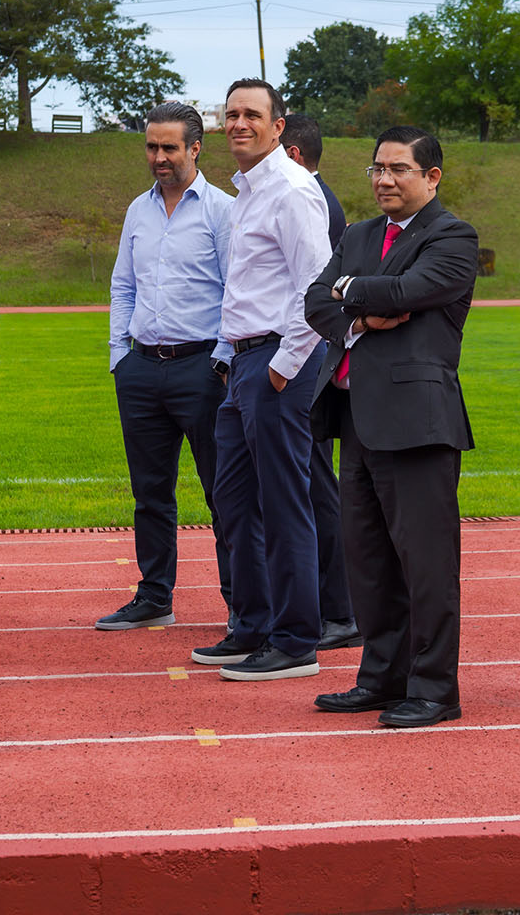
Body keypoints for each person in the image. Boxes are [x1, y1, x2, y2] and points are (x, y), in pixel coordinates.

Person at [306, 126, 478, 729]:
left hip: (418, 424)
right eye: (378, 168)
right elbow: (314, 301)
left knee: (426, 564)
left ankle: (435, 689)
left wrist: (347, 289)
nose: (383, 179)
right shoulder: (357, 235)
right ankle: (382, 678)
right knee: (369, 560)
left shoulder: (452, 236)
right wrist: (358, 313)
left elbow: (411, 288)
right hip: (355, 419)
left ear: (431, 177)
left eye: (399, 169)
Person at [191, 79, 333, 681]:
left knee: (282, 503)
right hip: (243, 360)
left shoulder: (293, 190)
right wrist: (234, 359)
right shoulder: (246, 191)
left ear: (280, 127)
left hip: (278, 359)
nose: (238, 123)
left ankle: (296, 640)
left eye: (252, 114)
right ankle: (250, 625)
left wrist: (280, 367)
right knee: (234, 503)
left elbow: (317, 285)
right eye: (231, 114)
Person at [100, 102, 234, 632]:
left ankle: (239, 603)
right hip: (141, 369)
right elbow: (122, 285)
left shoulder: (222, 210)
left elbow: (235, 291)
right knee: (150, 493)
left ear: (195, 148)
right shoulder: (139, 209)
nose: (158, 156)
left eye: (169, 147)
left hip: (202, 367)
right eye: (151, 147)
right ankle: (155, 596)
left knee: (223, 491)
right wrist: (119, 356)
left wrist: (221, 361)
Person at [280, 112, 359, 652]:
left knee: (313, 487)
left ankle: (339, 608)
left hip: (305, 358)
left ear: (292, 154)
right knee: (310, 485)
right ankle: (330, 605)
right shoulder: (316, 196)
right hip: (307, 356)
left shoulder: (307, 198)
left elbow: (311, 291)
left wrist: (285, 361)